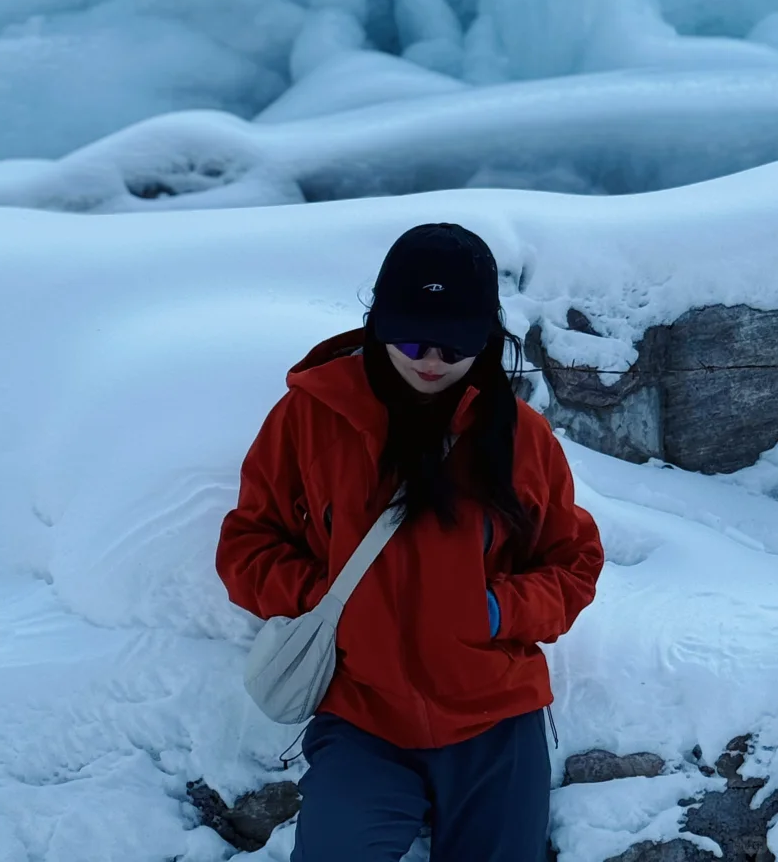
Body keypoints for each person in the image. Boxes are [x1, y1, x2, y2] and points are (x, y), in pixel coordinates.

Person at [216, 222, 603, 862]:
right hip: (362, 716)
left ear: (486, 338)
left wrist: (496, 610)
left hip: (495, 717)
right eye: (412, 337)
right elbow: (247, 546)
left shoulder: (521, 438)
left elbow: (573, 562)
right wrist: (326, 600)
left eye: (456, 344)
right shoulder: (310, 418)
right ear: (379, 323)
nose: (432, 360)